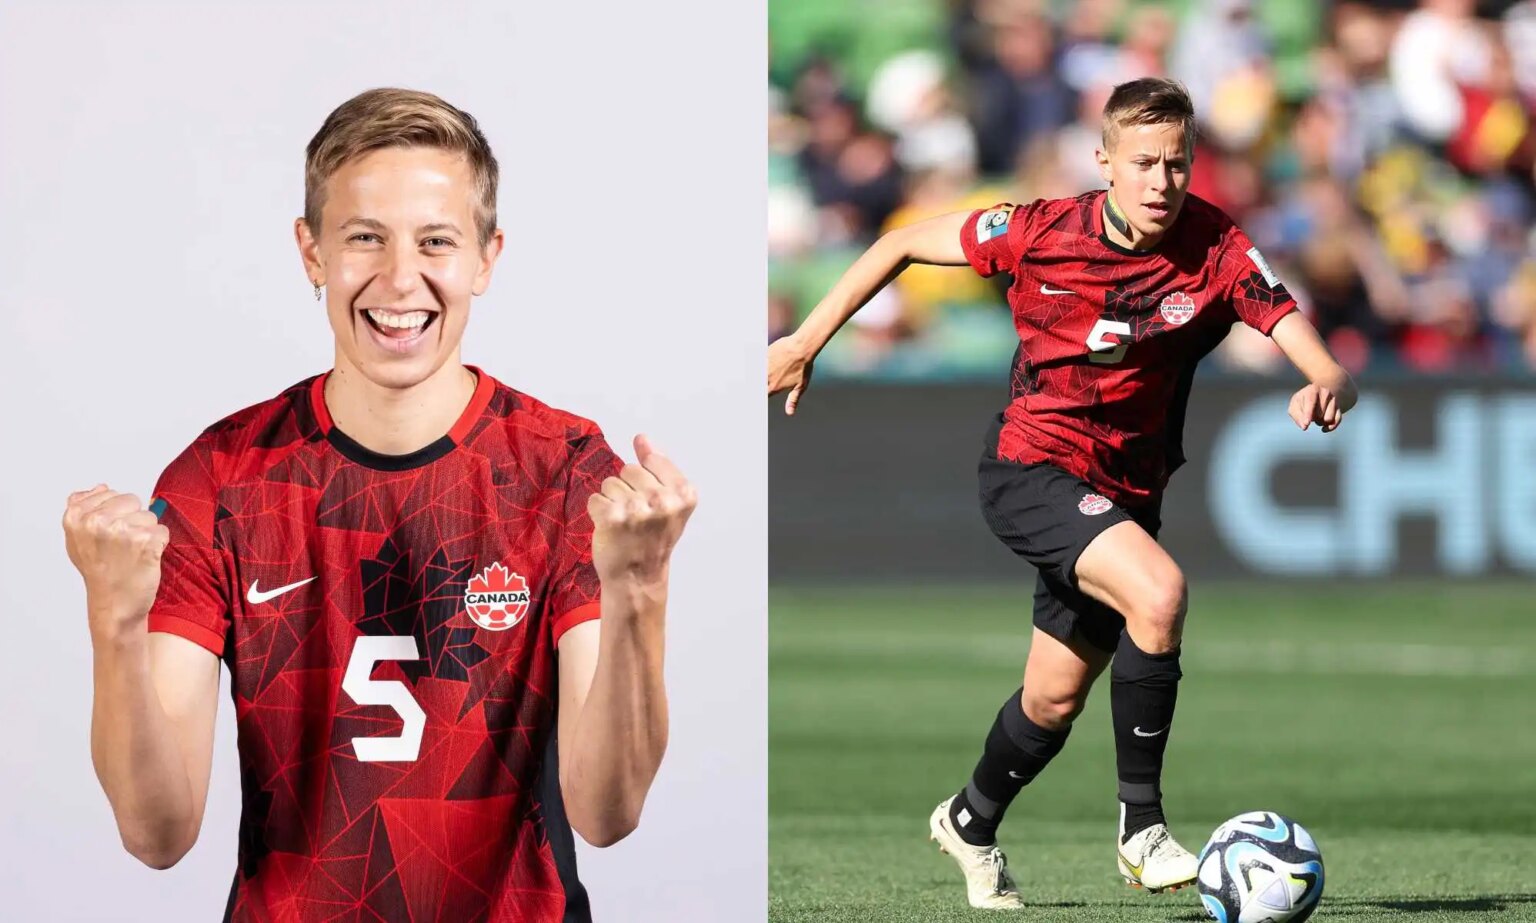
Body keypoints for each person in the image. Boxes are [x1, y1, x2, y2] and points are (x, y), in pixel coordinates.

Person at [62, 88, 696, 923]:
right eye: (365, 237)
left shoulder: (565, 470)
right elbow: (156, 833)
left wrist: (641, 590)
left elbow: (607, 813)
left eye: (436, 240)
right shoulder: (219, 478)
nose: (401, 278)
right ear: (312, 251)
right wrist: (113, 620)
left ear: (486, 258)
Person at [767, 77, 1355, 910]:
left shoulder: (1218, 248)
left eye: (1177, 163)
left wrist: (1325, 383)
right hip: (1030, 467)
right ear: (1105, 161)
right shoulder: (1040, 230)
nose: (1161, 181)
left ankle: (969, 820)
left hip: (1124, 494)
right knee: (1160, 592)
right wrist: (804, 340)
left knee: (1052, 697)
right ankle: (1142, 829)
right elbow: (896, 245)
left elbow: (1321, 356)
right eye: (1143, 162)